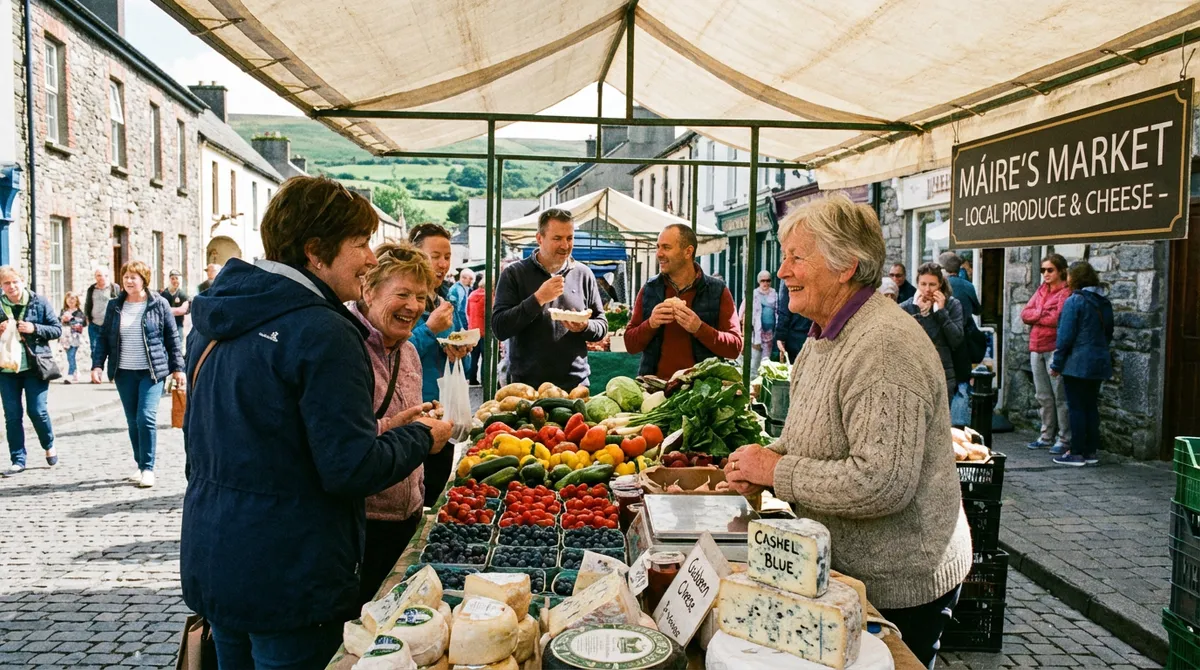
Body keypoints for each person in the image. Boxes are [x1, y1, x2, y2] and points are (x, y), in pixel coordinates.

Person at [181, 176, 452, 669]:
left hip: (218, 554)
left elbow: (260, 439)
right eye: (360, 244)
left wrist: (376, 433)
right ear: (315, 251)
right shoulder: (324, 331)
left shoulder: (216, 315)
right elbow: (349, 469)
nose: (371, 258)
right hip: (290, 572)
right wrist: (419, 436)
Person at [722, 195, 971, 670]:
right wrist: (762, 460)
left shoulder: (883, 348)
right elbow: (806, 436)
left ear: (845, 268)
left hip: (898, 583)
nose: (782, 271)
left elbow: (880, 482)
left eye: (797, 257)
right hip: (843, 571)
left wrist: (778, 471)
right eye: (784, 256)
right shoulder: (823, 336)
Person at [349, 242, 441, 603]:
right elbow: (343, 444)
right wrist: (404, 429)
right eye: (402, 293)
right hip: (363, 523)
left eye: (420, 296)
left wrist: (421, 423)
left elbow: (400, 421)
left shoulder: (409, 350)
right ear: (369, 289)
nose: (414, 306)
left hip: (408, 513)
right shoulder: (347, 349)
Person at [91, 261, 186, 489]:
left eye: (134, 276)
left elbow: (172, 339)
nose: (129, 280)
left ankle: (149, 468)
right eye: (125, 276)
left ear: (144, 279)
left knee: (146, 417)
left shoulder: (159, 304)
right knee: (133, 421)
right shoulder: (115, 305)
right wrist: (97, 365)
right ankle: (140, 464)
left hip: (152, 372)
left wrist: (178, 368)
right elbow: (104, 338)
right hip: (123, 372)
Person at [492, 208, 607, 389]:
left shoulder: (583, 274)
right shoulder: (514, 274)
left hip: (575, 385)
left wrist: (585, 326)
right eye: (557, 238)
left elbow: (601, 325)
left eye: (569, 238)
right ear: (539, 238)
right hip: (527, 386)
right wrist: (538, 299)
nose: (565, 245)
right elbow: (500, 327)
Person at [624, 223, 742, 379]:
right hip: (655, 390)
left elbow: (734, 348)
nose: (658, 254)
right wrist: (650, 324)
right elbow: (630, 345)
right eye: (658, 247)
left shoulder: (717, 290)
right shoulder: (649, 289)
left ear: (688, 252)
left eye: (666, 247)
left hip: (702, 391)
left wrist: (699, 328)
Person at [408, 223, 471, 506]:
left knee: (435, 491)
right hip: (411, 415)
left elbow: (466, 364)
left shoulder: (447, 303)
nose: (443, 264)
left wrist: (462, 352)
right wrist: (429, 329)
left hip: (443, 411)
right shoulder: (406, 303)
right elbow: (395, 353)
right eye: (435, 256)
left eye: (447, 256)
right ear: (415, 255)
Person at [1050, 261, 1114, 467]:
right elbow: (1108, 333)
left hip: (1077, 362)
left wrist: (1056, 364)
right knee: (1090, 406)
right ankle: (1090, 451)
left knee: (1076, 407)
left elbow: (1065, 337)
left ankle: (1076, 452)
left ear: (1074, 278)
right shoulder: (1103, 302)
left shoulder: (1074, 301)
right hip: (1099, 360)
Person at [0, 267, 61, 476]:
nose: (11, 287)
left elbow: (56, 329)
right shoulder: (0, 305)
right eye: (6, 283)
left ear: (22, 281)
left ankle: (48, 443)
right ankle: (18, 459)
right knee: (12, 415)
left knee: (37, 410)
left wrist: (34, 328)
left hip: (35, 367)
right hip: (7, 368)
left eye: (15, 282)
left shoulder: (39, 302)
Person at [1021, 253, 1071, 453]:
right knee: (1042, 395)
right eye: (1043, 270)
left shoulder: (1065, 292)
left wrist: (1037, 315)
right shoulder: (1042, 290)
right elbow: (1025, 314)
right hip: (1036, 346)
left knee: (1060, 396)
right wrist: (1041, 314)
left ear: (1060, 271)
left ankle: (1064, 438)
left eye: (1050, 270)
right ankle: (1046, 435)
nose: (1045, 274)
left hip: (1054, 347)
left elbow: (1057, 318)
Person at [899, 263, 965, 402]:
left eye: (932, 284)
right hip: (914, 374)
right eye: (923, 284)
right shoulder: (906, 307)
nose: (927, 289)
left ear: (940, 284)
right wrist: (920, 314)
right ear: (917, 283)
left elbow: (956, 340)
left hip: (943, 373)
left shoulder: (953, 305)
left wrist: (941, 312)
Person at [739, 270, 778, 379]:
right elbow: (742, 311)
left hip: (769, 333)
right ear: (759, 282)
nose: (765, 283)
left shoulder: (774, 294)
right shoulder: (754, 294)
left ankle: (761, 386)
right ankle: (752, 383)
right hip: (755, 333)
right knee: (754, 360)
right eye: (763, 281)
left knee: (766, 362)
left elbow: (778, 311)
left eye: (768, 280)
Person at [84, 268, 118, 380]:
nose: (101, 278)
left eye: (104, 275)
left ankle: (112, 375)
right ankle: (96, 373)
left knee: (112, 349)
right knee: (95, 349)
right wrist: (88, 318)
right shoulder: (91, 289)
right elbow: (88, 303)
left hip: (110, 324)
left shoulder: (114, 288)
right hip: (95, 324)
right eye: (98, 275)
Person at [774, 280, 812, 364]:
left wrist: (780, 336)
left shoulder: (790, 280)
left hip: (796, 333)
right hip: (812, 332)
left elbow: (784, 309)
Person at [938, 252, 979, 324]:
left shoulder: (939, 286)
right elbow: (977, 311)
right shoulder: (968, 285)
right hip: (965, 330)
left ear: (944, 269)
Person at [466, 274, 489, 386]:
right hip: (484, 331)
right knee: (485, 357)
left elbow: (468, 312)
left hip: (472, 330)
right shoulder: (487, 297)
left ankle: (472, 378)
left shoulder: (471, 295)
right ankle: (485, 380)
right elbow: (488, 315)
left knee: (474, 357)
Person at [60, 292, 86, 383]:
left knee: (71, 355)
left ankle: (70, 375)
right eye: (68, 299)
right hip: (65, 336)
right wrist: (62, 319)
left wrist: (71, 319)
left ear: (76, 301)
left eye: (73, 299)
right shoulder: (63, 311)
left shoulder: (79, 312)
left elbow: (82, 323)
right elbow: (60, 321)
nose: (71, 301)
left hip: (75, 336)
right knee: (69, 356)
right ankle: (76, 372)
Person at [449, 268, 474, 333]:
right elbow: (459, 310)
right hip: (458, 322)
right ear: (464, 278)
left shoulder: (462, 288)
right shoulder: (457, 289)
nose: (471, 281)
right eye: (470, 279)